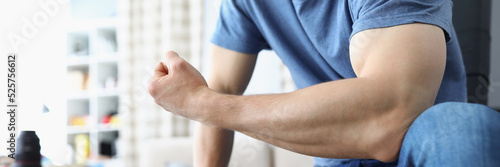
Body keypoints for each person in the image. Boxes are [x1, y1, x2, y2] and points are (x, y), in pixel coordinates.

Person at [148, 0, 500, 166]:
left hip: (421, 148)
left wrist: (201, 104)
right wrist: (207, 103)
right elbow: (220, 84)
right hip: (338, 159)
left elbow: (391, 116)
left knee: (466, 127)